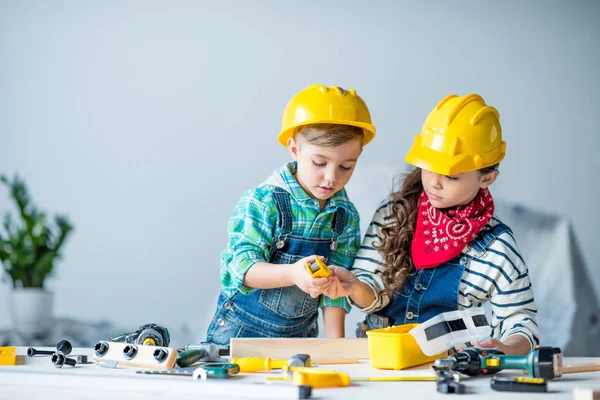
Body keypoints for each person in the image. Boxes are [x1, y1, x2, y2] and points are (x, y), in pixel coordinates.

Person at [323, 93, 539, 355]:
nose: (434, 182)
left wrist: (504, 348)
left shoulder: (496, 246)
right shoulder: (394, 214)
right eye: (429, 167)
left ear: (487, 178)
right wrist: (356, 286)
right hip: (381, 359)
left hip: (448, 368)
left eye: (450, 175)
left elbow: (521, 323)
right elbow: (372, 290)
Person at [206, 84, 376, 345]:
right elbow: (241, 269)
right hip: (239, 336)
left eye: (346, 166)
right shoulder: (264, 202)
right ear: (294, 149)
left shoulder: (345, 215)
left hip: (300, 339)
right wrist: (292, 274)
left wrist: (336, 347)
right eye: (319, 163)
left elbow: (336, 290)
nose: (331, 177)